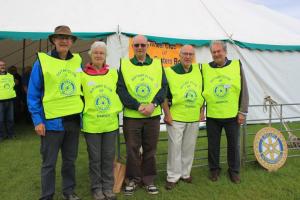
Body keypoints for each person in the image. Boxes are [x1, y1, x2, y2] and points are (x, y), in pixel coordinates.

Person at [27, 25, 83, 200]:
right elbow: (33, 93)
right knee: (49, 163)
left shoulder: (77, 61)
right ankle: (47, 196)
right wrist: (37, 120)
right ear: (53, 40)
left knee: (69, 161)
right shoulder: (42, 62)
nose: (64, 40)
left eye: (67, 38)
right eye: (60, 37)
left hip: (73, 122)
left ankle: (69, 192)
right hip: (51, 122)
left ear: (72, 42)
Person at [117, 35, 167, 195]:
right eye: (136, 45)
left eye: (142, 45)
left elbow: (164, 88)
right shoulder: (124, 64)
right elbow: (121, 89)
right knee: (132, 149)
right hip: (132, 116)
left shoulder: (158, 64)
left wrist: (154, 104)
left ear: (147, 46)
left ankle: (148, 180)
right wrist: (137, 106)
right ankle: (132, 179)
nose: (139, 48)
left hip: (152, 115)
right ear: (133, 46)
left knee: (150, 149)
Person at [201, 40, 249, 184]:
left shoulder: (236, 65)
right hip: (213, 115)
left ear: (225, 52)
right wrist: (201, 109)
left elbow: (244, 89)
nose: (216, 54)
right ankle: (214, 169)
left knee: (233, 145)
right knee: (213, 145)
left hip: (232, 115)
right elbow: (201, 90)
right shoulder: (205, 68)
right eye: (213, 52)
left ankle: (234, 171)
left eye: (219, 51)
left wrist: (243, 111)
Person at [81, 41, 122, 200]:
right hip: (91, 125)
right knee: (95, 159)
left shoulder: (113, 73)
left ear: (105, 56)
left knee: (108, 158)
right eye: (96, 52)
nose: (99, 55)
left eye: (102, 53)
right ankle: (96, 188)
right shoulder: (82, 74)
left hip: (110, 124)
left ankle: (108, 187)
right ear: (90, 54)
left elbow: (120, 92)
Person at [162, 45, 204, 190]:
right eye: (185, 54)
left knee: (189, 147)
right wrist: (167, 114)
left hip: (193, 116)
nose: (187, 57)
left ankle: (185, 173)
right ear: (179, 55)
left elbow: (202, 93)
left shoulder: (198, 71)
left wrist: (201, 110)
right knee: (175, 148)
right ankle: (172, 176)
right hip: (176, 117)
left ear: (193, 56)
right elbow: (164, 96)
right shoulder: (169, 72)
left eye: (190, 54)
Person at [0, 60, 16, 141]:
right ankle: (2, 135)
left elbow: (13, 85)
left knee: (10, 119)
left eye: (4, 65)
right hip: (0, 101)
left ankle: (11, 134)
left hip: (10, 100)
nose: (2, 66)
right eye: (0, 65)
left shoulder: (10, 76)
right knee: (1, 120)